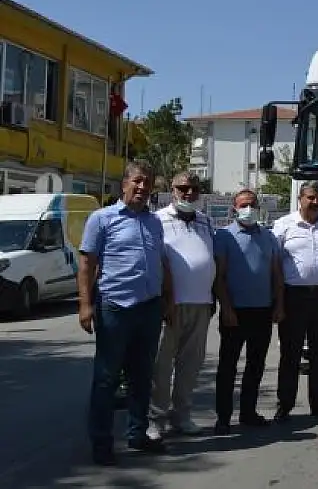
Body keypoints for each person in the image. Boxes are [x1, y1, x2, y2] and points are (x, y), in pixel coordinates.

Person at [79, 160, 172, 465]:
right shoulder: (101, 219)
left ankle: (137, 433)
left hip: (148, 308)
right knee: (106, 379)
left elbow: (161, 262)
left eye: (148, 183)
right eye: (138, 181)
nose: (143, 188)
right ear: (125, 184)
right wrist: (85, 305)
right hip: (115, 307)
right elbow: (87, 265)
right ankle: (102, 443)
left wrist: (165, 301)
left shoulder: (154, 221)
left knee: (142, 377)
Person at [149, 172, 217, 439]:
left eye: (194, 189)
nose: (188, 193)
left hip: (201, 304)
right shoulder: (157, 220)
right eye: (182, 188)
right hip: (170, 306)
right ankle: (156, 420)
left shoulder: (206, 221)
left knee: (191, 365)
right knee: (161, 366)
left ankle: (182, 416)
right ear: (172, 189)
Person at [213, 189, 284, 434]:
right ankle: (223, 417)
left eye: (252, 204)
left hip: (262, 310)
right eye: (244, 205)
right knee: (228, 366)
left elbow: (276, 274)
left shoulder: (269, 236)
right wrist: (227, 308)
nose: (249, 209)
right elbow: (219, 276)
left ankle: (248, 412)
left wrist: (279, 304)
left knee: (256, 365)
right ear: (234, 208)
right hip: (235, 312)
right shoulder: (223, 236)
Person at [272, 181, 318, 422]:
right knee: (290, 354)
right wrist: (278, 302)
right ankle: (285, 405)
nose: (315, 202)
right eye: (311, 197)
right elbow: (275, 266)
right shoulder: (282, 226)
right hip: (293, 297)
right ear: (300, 199)